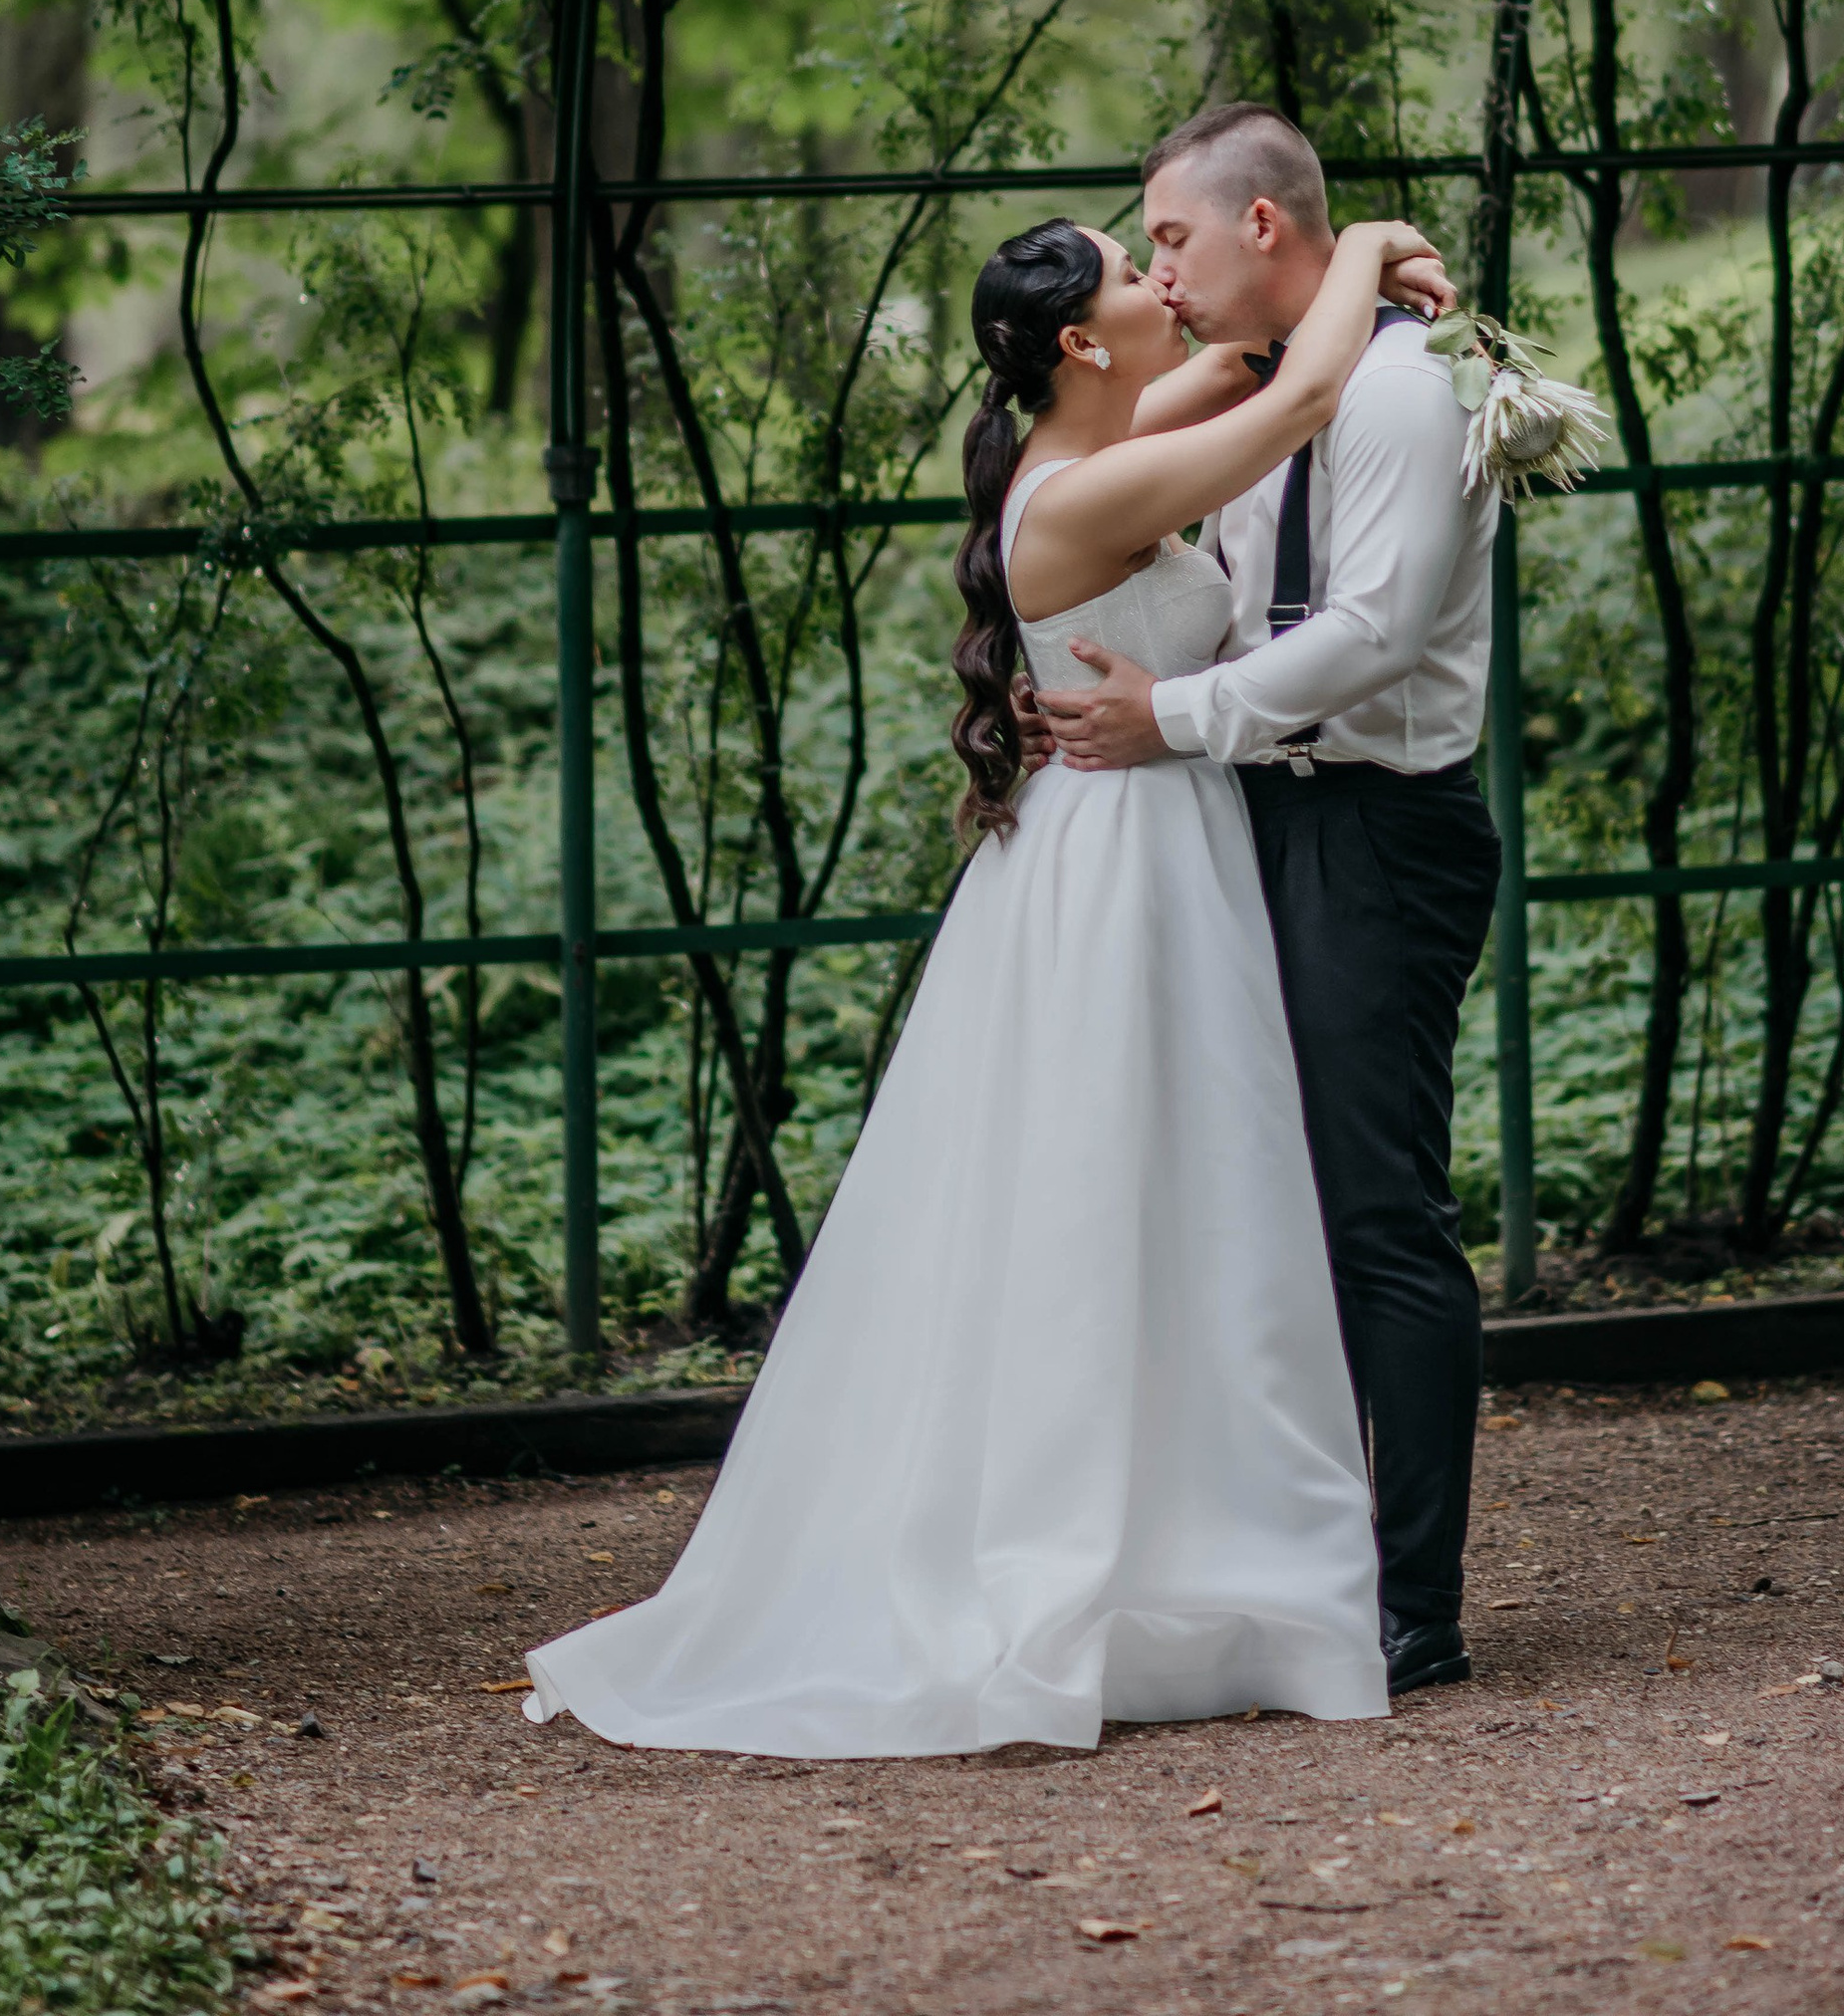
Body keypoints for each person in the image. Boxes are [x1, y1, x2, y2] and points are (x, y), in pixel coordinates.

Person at [523, 201, 1449, 1761]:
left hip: (1152, 833)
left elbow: (1251, 362)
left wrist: (1344, 296)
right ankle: (1119, 1560)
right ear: (1082, 339)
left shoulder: (1104, 434)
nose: (1162, 275)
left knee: (1182, 1194)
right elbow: (1295, 398)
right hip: (1130, 857)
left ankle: (1197, 1560)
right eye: (1133, 268)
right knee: (1133, 1186)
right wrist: (1366, 242)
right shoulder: (1087, 487)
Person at [1037, 105, 1501, 1703]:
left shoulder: (1402, 387)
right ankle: (1286, 1571)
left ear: (1260, 223)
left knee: (1376, 1212)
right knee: (1255, 1205)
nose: (1157, 269)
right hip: (1249, 817)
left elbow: (1370, 631)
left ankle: (1414, 1608)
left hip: (1376, 828)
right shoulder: (1262, 385)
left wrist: (1165, 718)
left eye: (1169, 235)